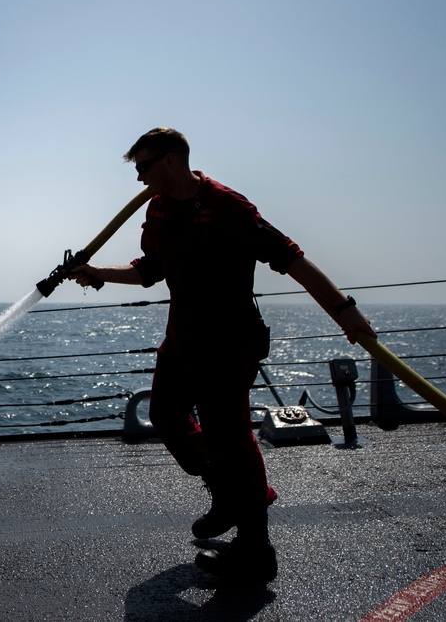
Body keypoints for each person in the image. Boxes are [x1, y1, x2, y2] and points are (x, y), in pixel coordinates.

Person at [69, 127, 376, 582]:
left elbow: (290, 258)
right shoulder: (157, 210)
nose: (138, 179)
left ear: (171, 160)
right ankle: (228, 494)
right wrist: (97, 273)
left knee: (231, 435)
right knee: (167, 417)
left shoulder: (227, 205)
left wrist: (344, 312)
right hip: (182, 337)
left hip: (229, 340)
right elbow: (149, 270)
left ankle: (255, 549)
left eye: (143, 166)